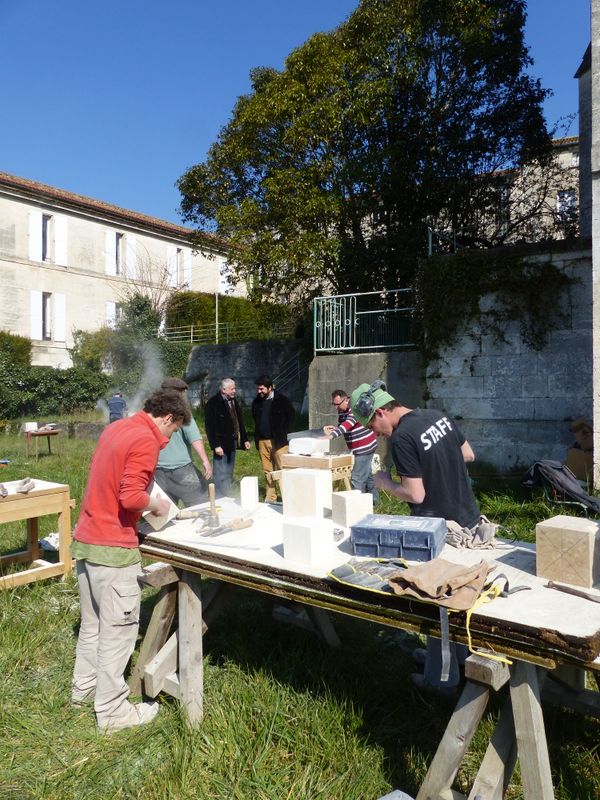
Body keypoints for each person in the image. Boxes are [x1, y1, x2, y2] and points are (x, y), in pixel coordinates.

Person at [71, 388, 191, 732]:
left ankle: (84, 689)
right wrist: (158, 505)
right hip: (113, 548)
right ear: (167, 418)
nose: (169, 440)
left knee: (93, 625)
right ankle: (112, 713)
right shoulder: (146, 439)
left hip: (87, 540)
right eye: (173, 430)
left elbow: (110, 483)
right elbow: (130, 497)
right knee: (119, 632)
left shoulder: (117, 427)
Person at [351, 380, 481, 694]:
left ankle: (440, 679)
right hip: (469, 521)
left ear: (380, 412)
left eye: (372, 426)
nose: (376, 434)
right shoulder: (437, 415)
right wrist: (437, 465)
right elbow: (468, 455)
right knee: (456, 600)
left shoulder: (402, 437)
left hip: (439, 530)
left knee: (435, 600)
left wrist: (384, 482)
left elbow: (415, 494)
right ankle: (455, 661)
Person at [154, 378, 212, 507]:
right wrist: (205, 461)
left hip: (157, 470)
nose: (184, 396)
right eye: (183, 392)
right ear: (177, 393)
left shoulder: (152, 411)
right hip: (181, 468)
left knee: (166, 510)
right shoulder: (181, 411)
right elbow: (194, 438)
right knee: (199, 503)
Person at [322, 389, 379, 504]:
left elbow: (348, 424)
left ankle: (357, 506)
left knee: (357, 479)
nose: (336, 407)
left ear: (346, 400)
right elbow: (343, 425)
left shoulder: (355, 408)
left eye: (337, 404)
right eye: (333, 404)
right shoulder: (342, 411)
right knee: (367, 476)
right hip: (361, 448)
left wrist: (331, 436)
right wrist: (336, 429)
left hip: (364, 448)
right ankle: (374, 502)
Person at [251, 374, 295, 502]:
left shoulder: (282, 401)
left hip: (279, 441)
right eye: (258, 389)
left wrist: (285, 435)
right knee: (267, 470)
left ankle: (288, 498)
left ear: (270, 388)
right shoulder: (257, 402)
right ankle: (271, 497)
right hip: (262, 441)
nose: (259, 391)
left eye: (261, 389)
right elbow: (255, 419)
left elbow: (291, 418)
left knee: (283, 469)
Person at [204, 378, 251, 497]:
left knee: (229, 471)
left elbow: (239, 421)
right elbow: (210, 427)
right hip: (221, 444)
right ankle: (219, 497)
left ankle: (226, 493)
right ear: (223, 390)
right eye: (232, 389)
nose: (234, 391)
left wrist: (245, 439)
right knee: (220, 472)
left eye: (234, 388)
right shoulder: (213, 403)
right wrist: (216, 445)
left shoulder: (233, 401)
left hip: (232, 442)